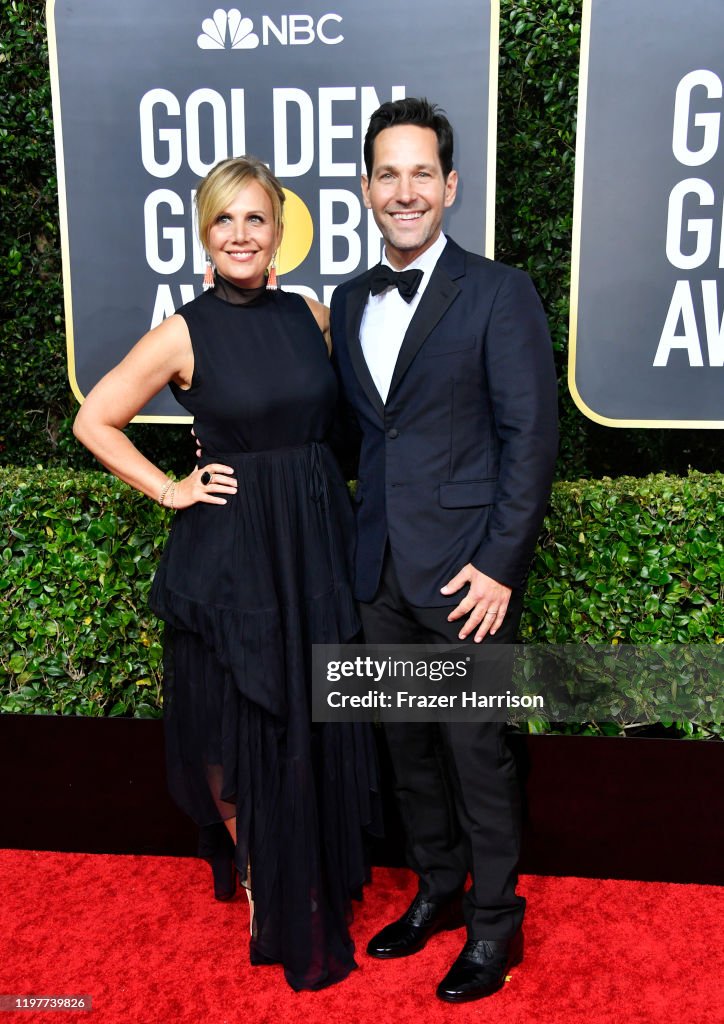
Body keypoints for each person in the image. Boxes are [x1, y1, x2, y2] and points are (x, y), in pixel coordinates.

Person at [73, 156, 380, 992]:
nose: (241, 235)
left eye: (256, 219)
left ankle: (311, 857)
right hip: (234, 551)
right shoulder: (183, 331)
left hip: (313, 541)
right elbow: (95, 417)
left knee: (312, 704)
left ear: (279, 231)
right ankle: (256, 872)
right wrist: (170, 487)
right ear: (204, 233)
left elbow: (351, 423)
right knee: (241, 713)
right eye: (225, 221)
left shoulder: (313, 315)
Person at [329, 98, 558, 1003]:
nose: (405, 189)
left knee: (476, 753)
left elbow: (530, 439)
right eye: (388, 172)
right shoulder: (348, 301)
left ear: (451, 186)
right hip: (378, 571)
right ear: (365, 188)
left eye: (422, 171)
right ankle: (438, 892)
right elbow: (353, 435)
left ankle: (498, 924)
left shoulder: (499, 292)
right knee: (408, 749)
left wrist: (501, 563)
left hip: (468, 575)